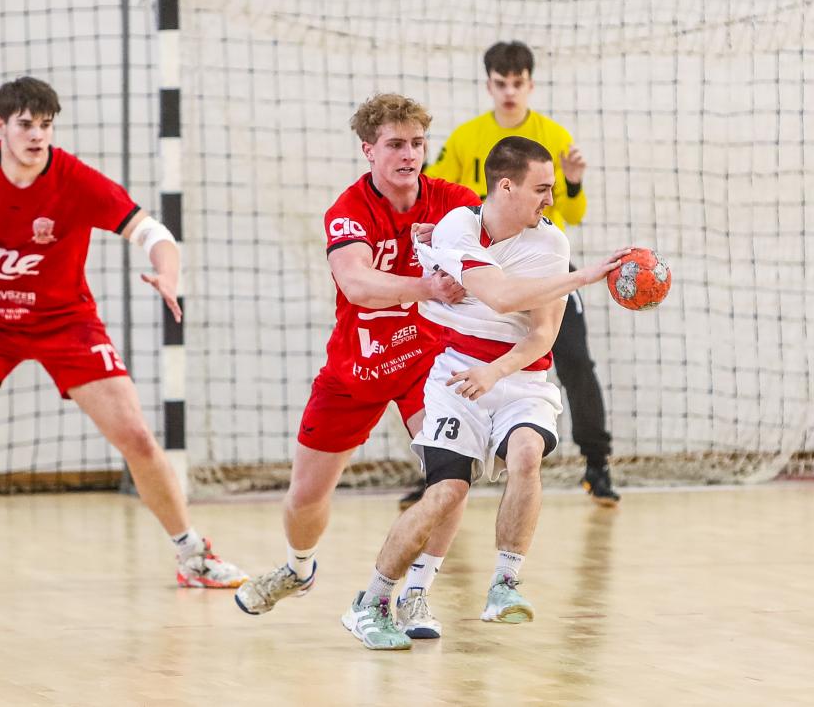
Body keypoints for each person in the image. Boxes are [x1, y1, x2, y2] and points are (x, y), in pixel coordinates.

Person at [0, 76, 246, 598]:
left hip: (65, 323)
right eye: (25, 124)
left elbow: (152, 231)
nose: (37, 135)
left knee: (135, 435)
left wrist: (168, 273)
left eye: (45, 125)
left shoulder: (77, 180)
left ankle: (194, 555)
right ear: (0, 125)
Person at [341, 136, 627, 650]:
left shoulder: (552, 244)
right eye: (542, 188)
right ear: (506, 187)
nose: (551, 198)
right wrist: (583, 277)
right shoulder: (459, 226)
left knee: (527, 454)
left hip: (520, 377)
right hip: (457, 374)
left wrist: (498, 372)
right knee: (447, 492)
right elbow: (499, 296)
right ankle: (373, 600)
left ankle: (505, 585)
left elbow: (543, 333)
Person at [234, 93, 480, 639]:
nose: (408, 155)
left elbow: (494, 246)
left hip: (428, 362)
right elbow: (356, 284)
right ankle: (298, 569)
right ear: (369, 150)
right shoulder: (348, 210)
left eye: (417, 143)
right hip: (357, 367)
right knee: (305, 496)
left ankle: (416, 592)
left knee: (452, 476)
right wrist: (427, 285)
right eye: (395, 144)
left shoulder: (454, 203)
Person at [423, 40, 619, 506]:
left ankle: (597, 463)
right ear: (488, 85)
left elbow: (574, 212)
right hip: (484, 267)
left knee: (575, 359)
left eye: (518, 83)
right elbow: (440, 190)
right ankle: (438, 462)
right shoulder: (468, 137)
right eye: (501, 83)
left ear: (530, 85)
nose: (509, 92)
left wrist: (573, 183)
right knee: (437, 350)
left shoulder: (552, 135)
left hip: (546, 269)